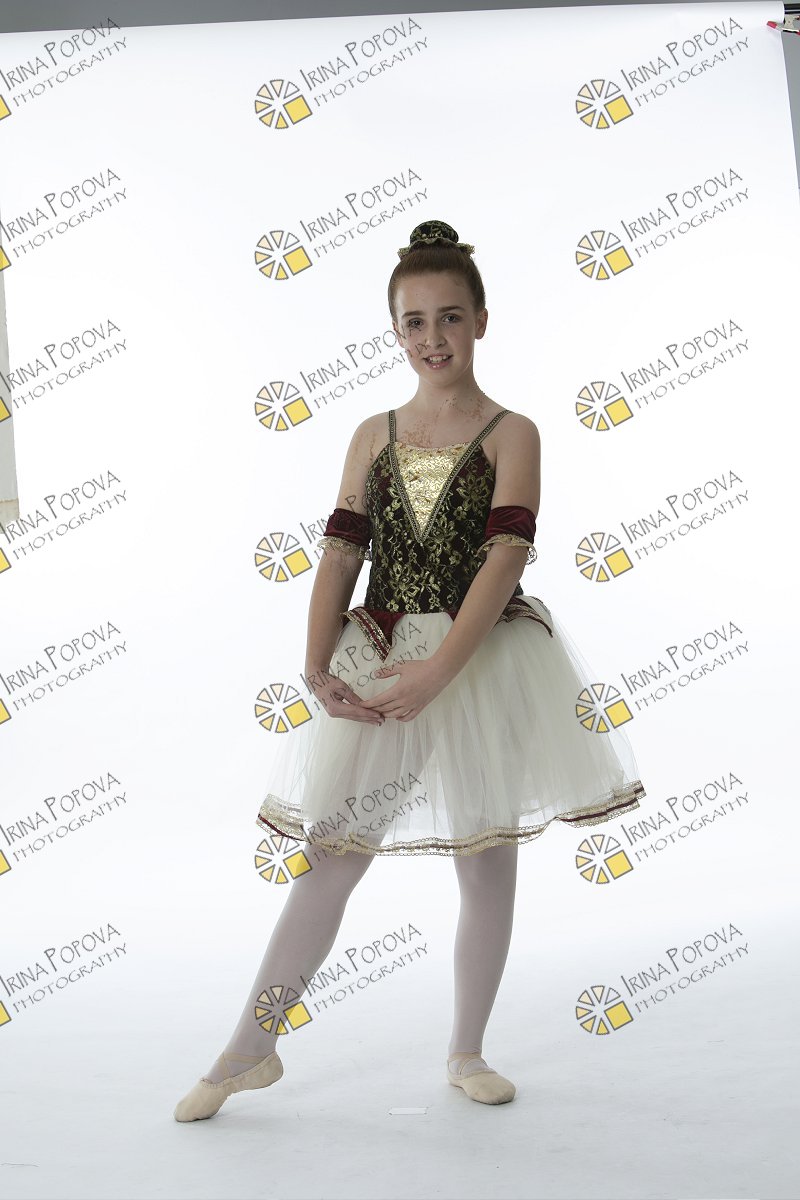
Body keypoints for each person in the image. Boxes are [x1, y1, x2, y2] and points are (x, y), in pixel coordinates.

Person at [173, 219, 646, 1122]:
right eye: (415, 322)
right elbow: (341, 552)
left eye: (450, 318)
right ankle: (248, 1049)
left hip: (483, 657)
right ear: (394, 331)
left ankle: (467, 1051)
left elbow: (505, 557)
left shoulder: (513, 432)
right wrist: (316, 663)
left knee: (486, 855)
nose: (434, 338)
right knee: (331, 856)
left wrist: (442, 672)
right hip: (384, 654)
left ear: (481, 322)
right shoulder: (373, 434)